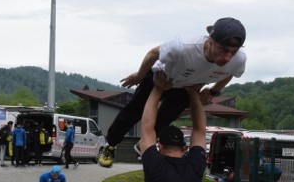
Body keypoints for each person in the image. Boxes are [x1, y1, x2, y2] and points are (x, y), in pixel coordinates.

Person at [98, 17, 247, 168]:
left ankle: (143, 143)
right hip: (161, 78)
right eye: (224, 50)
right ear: (210, 40)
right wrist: (139, 76)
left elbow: (231, 73)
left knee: (165, 119)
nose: (227, 57)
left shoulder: (239, 60)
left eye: (233, 52)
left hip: (186, 86)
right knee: (133, 112)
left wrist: (214, 91)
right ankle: (110, 145)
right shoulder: (183, 46)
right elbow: (153, 53)